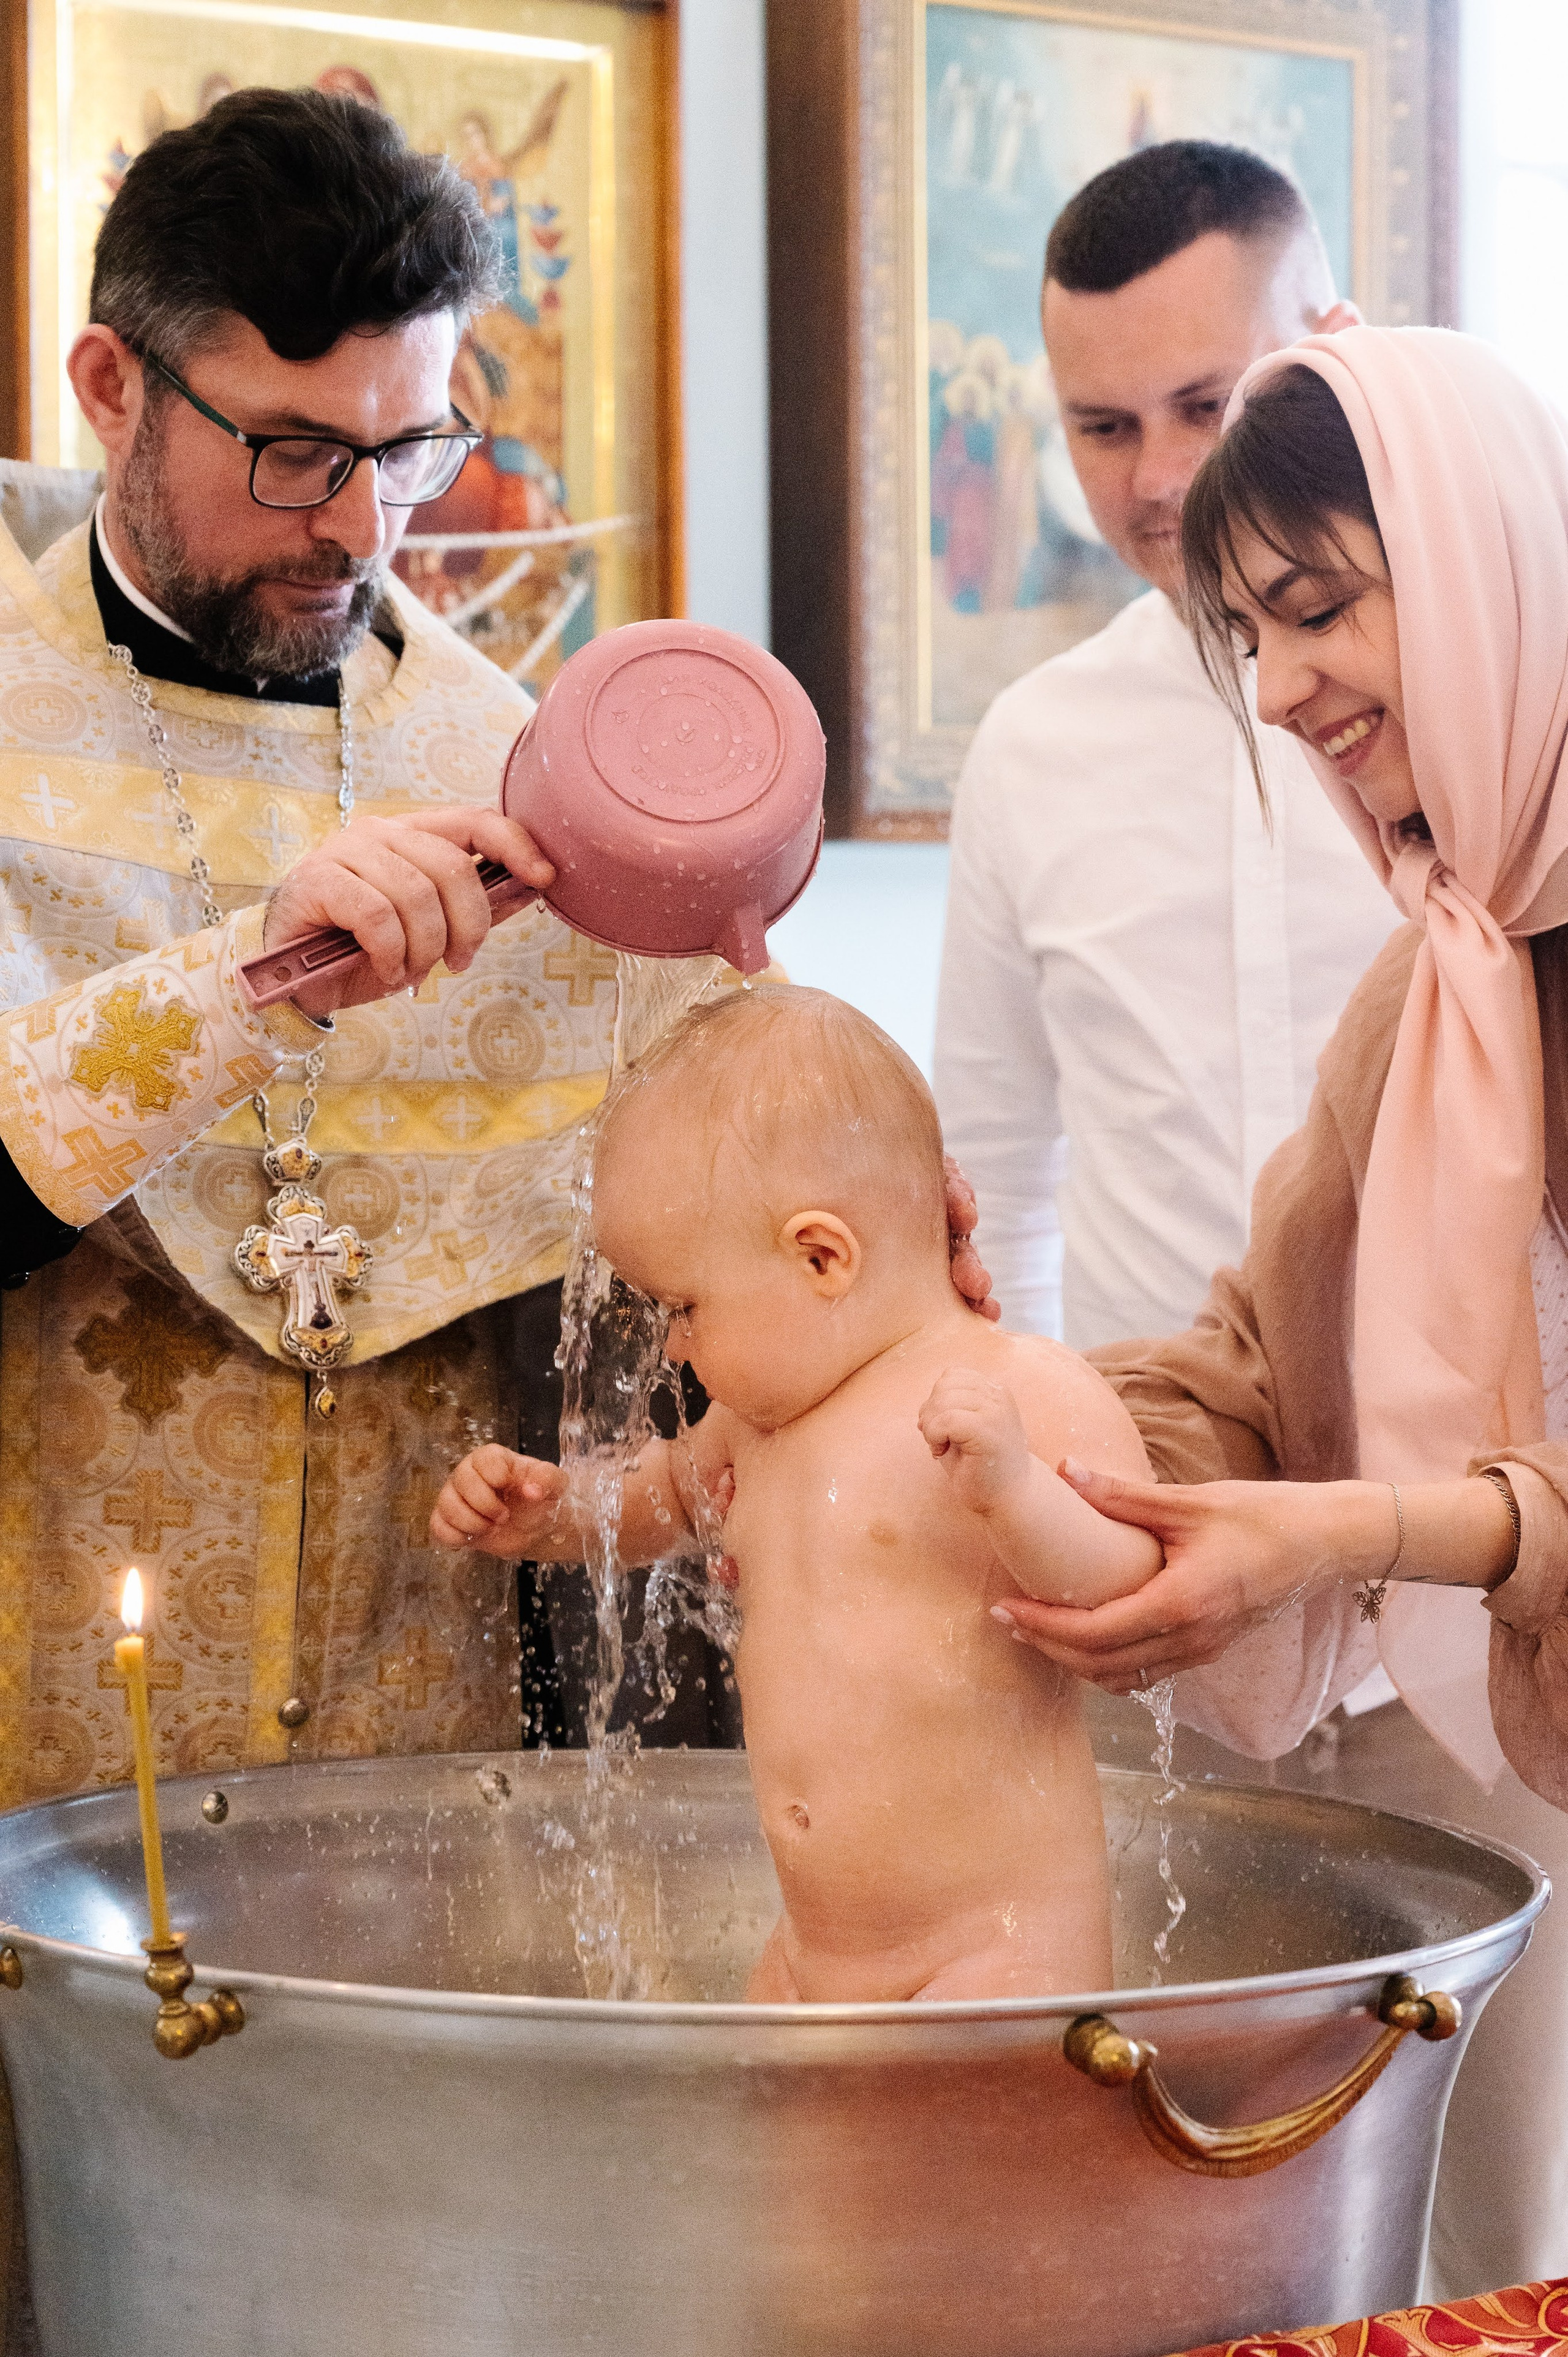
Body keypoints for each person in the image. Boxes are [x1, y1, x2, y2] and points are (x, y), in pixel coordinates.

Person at [0, 86, 732, 1806]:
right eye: (294, 452)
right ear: (111, 388)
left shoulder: (509, 769)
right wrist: (244, 978)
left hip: (435, 1735)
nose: (360, 525)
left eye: (405, 451)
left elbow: (678, 1296)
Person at [997, 328, 1568, 2296]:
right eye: (1250, 633)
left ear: (1500, 575)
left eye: (1321, 609)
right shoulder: (1442, 983)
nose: (1284, 686)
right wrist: (979, 1395)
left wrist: (1338, 1533)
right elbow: (1256, 1365)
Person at [433, 988, 1161, 2001]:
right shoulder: (756, 1423)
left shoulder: (1020, 1390)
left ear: (822, 1257)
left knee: (980, 2160)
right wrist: (552, 1515)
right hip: (814, 1952)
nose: (674, 1345)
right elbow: (654, 1507)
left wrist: (1014, 1491)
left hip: (994, 1950)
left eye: (684, 1308)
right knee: (788, 2162)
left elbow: (1134, 1588)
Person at [935, 141, 1395, 1349]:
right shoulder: (1029, 752)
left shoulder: (1502, 702)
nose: (1161, 479)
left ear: (1333, 349)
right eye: (1101, 426)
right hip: (1142, 1489)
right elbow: (992, 1186)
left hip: (1483, 1489)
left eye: (1206, 404)